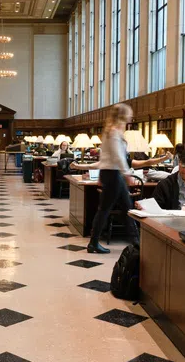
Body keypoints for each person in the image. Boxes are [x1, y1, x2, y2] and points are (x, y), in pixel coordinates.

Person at [71, 104, 170, 254]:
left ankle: (102, 242)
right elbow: (118, 156)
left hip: (109, 173)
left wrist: (102, 176)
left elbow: (106, 158)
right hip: (114, 174)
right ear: (123, 116)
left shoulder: (109, 132)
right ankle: (135, 243)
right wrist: (127, 174)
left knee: (115, 209)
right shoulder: (114, 132)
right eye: (129, 115)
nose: (131, 118)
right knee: (122, 208)